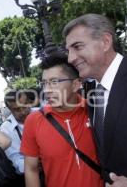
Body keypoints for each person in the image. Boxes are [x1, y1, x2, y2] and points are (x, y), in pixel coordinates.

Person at [64, 13, 127, 186]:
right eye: (68, 50)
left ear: (105, 42)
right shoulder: (92, 92)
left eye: (77, 46)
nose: (70, 58)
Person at [20, 54, 103, 187]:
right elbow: (31, 169)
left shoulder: (94, 110)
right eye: (44, 83)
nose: (47, 90)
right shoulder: (34, 121)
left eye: (54, 82)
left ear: (76, 84)